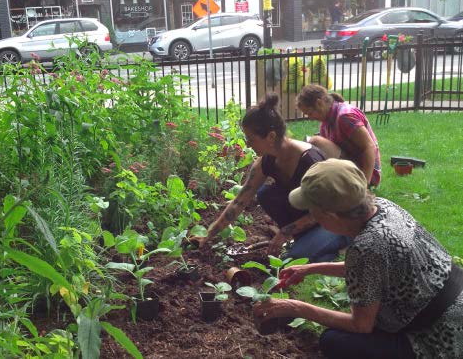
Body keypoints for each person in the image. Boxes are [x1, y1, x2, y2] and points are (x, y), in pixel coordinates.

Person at [254, 159, 463, 359]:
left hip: (441, 339)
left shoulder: (366, 247)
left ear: (330, 215)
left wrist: (296, 307)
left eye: (312, 211)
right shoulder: (385, 208)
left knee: (333, 341)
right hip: (455, 305)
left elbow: (361, 325)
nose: (311, 216)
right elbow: (372, 268)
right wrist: (311, 269)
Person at [190, 93, 351, 263]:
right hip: (310, 216)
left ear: (271, 137)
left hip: (334, 221)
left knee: (291, 259)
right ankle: (306, 242)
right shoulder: (265, 162)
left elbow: (324, 212)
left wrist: (285, 232)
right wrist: (208, 235)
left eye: (251, 139)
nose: (247, 144)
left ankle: (332, 247)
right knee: (265, 193)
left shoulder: (309, 161)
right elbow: (240, 201)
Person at [296, 84, 381, 187]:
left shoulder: (345, 117)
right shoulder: (325, 123)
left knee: (315, 142)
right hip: (351, 167)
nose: (310, 118)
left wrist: (364, 184)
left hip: (365, 173)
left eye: (310, 113)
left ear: (319, 103)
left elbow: (369, 147)